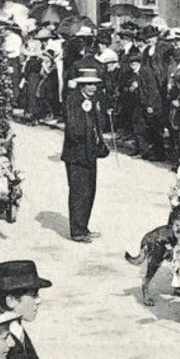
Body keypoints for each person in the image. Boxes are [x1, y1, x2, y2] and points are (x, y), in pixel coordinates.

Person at [60, 66, 110, 242]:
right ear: (82, 85)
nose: (92, 88)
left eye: (94, 85)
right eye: (89, 84)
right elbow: (73, 128)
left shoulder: (94, 99)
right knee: (78, 191)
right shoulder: (73, 100)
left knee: (89, 191)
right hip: (76, 153)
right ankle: (77, 231)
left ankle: (84, 226)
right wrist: (86, 139)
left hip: (90, 153)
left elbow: (98, 123)